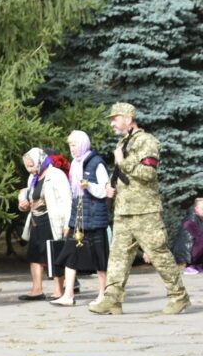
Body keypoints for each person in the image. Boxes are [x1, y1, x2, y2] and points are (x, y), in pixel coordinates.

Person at [90, 103, 191, 315]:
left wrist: (123, 162)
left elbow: (149, 173)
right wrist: (110, 186)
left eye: (115, 118)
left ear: (128, 119)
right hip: (124, 210)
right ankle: (112, 300)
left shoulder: (147, 141)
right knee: (118, 257)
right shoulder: (123, 143)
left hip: (145, 211)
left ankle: (179, 297)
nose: (112, 123)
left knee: (158, 254)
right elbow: (123, 175)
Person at [51, 131, 110, 307]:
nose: (72, 149)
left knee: (100, 259)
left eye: (74, 145)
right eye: (70, 146)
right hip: (78, 220)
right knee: (70, 255)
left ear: (83, 144)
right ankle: (68, 295)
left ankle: (103, 294)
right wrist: (70, 221)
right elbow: (74, 196)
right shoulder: (75, 165)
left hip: (95, 219)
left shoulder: (96, 163)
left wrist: (89, 185)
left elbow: (105, 191)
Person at [16, 147, 71, 301]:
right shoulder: (33, 178)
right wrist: (23, 205)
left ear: (40, 161)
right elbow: (30, 197)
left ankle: (58, 290)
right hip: (36, 221)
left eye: (31, 165)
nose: (29, 169)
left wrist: (67, 224)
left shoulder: (56, 175)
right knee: (34, 255)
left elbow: (66, 200)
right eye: (27, 166)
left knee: (54, 255)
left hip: (52, 220)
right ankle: (37, 290)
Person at [173, 198, 203, 274]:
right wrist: (186, 260)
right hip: (187, 254)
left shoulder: (199, 219)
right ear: (196, 209)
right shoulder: (191, 220)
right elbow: (186, 243)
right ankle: (190, 267)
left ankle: (197, 265)